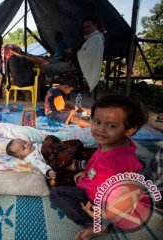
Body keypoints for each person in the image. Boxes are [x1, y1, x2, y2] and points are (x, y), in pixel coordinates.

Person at [49, 95, 148, 240]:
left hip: (100, 202)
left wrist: (104, 214)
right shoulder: (113, 143)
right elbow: (97, 162)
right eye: (96, 122)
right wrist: (87, 172)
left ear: (129, 130)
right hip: (94, 185)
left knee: (56, 193)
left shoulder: (116, 163)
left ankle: (94, 224)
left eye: (111, 125)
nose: (100, 130)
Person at [45, 17, 104, 92]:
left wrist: (72, 51)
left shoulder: (96, 39)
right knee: (50, 64)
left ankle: (43, 91)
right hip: (77, 63)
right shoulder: (91, 38)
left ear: (95, 25)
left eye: (89, 26)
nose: (86, 29)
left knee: (47, 68)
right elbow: (83, 52)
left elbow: (85, 55)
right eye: (84, 27)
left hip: (79, 65)